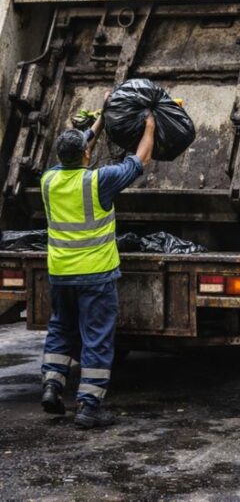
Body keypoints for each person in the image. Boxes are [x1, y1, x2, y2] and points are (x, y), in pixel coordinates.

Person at [39, 101, 155, 429]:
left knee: (60, 328)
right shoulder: (98, 182)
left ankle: (52, 385)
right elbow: (141, 159)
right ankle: (89, 406)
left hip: (60, 273)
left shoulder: (48, 180)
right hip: (95, 276)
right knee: (96, 338)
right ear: (87, 154)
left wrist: (101, 119)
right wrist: (149, 126)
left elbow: (78, 146)